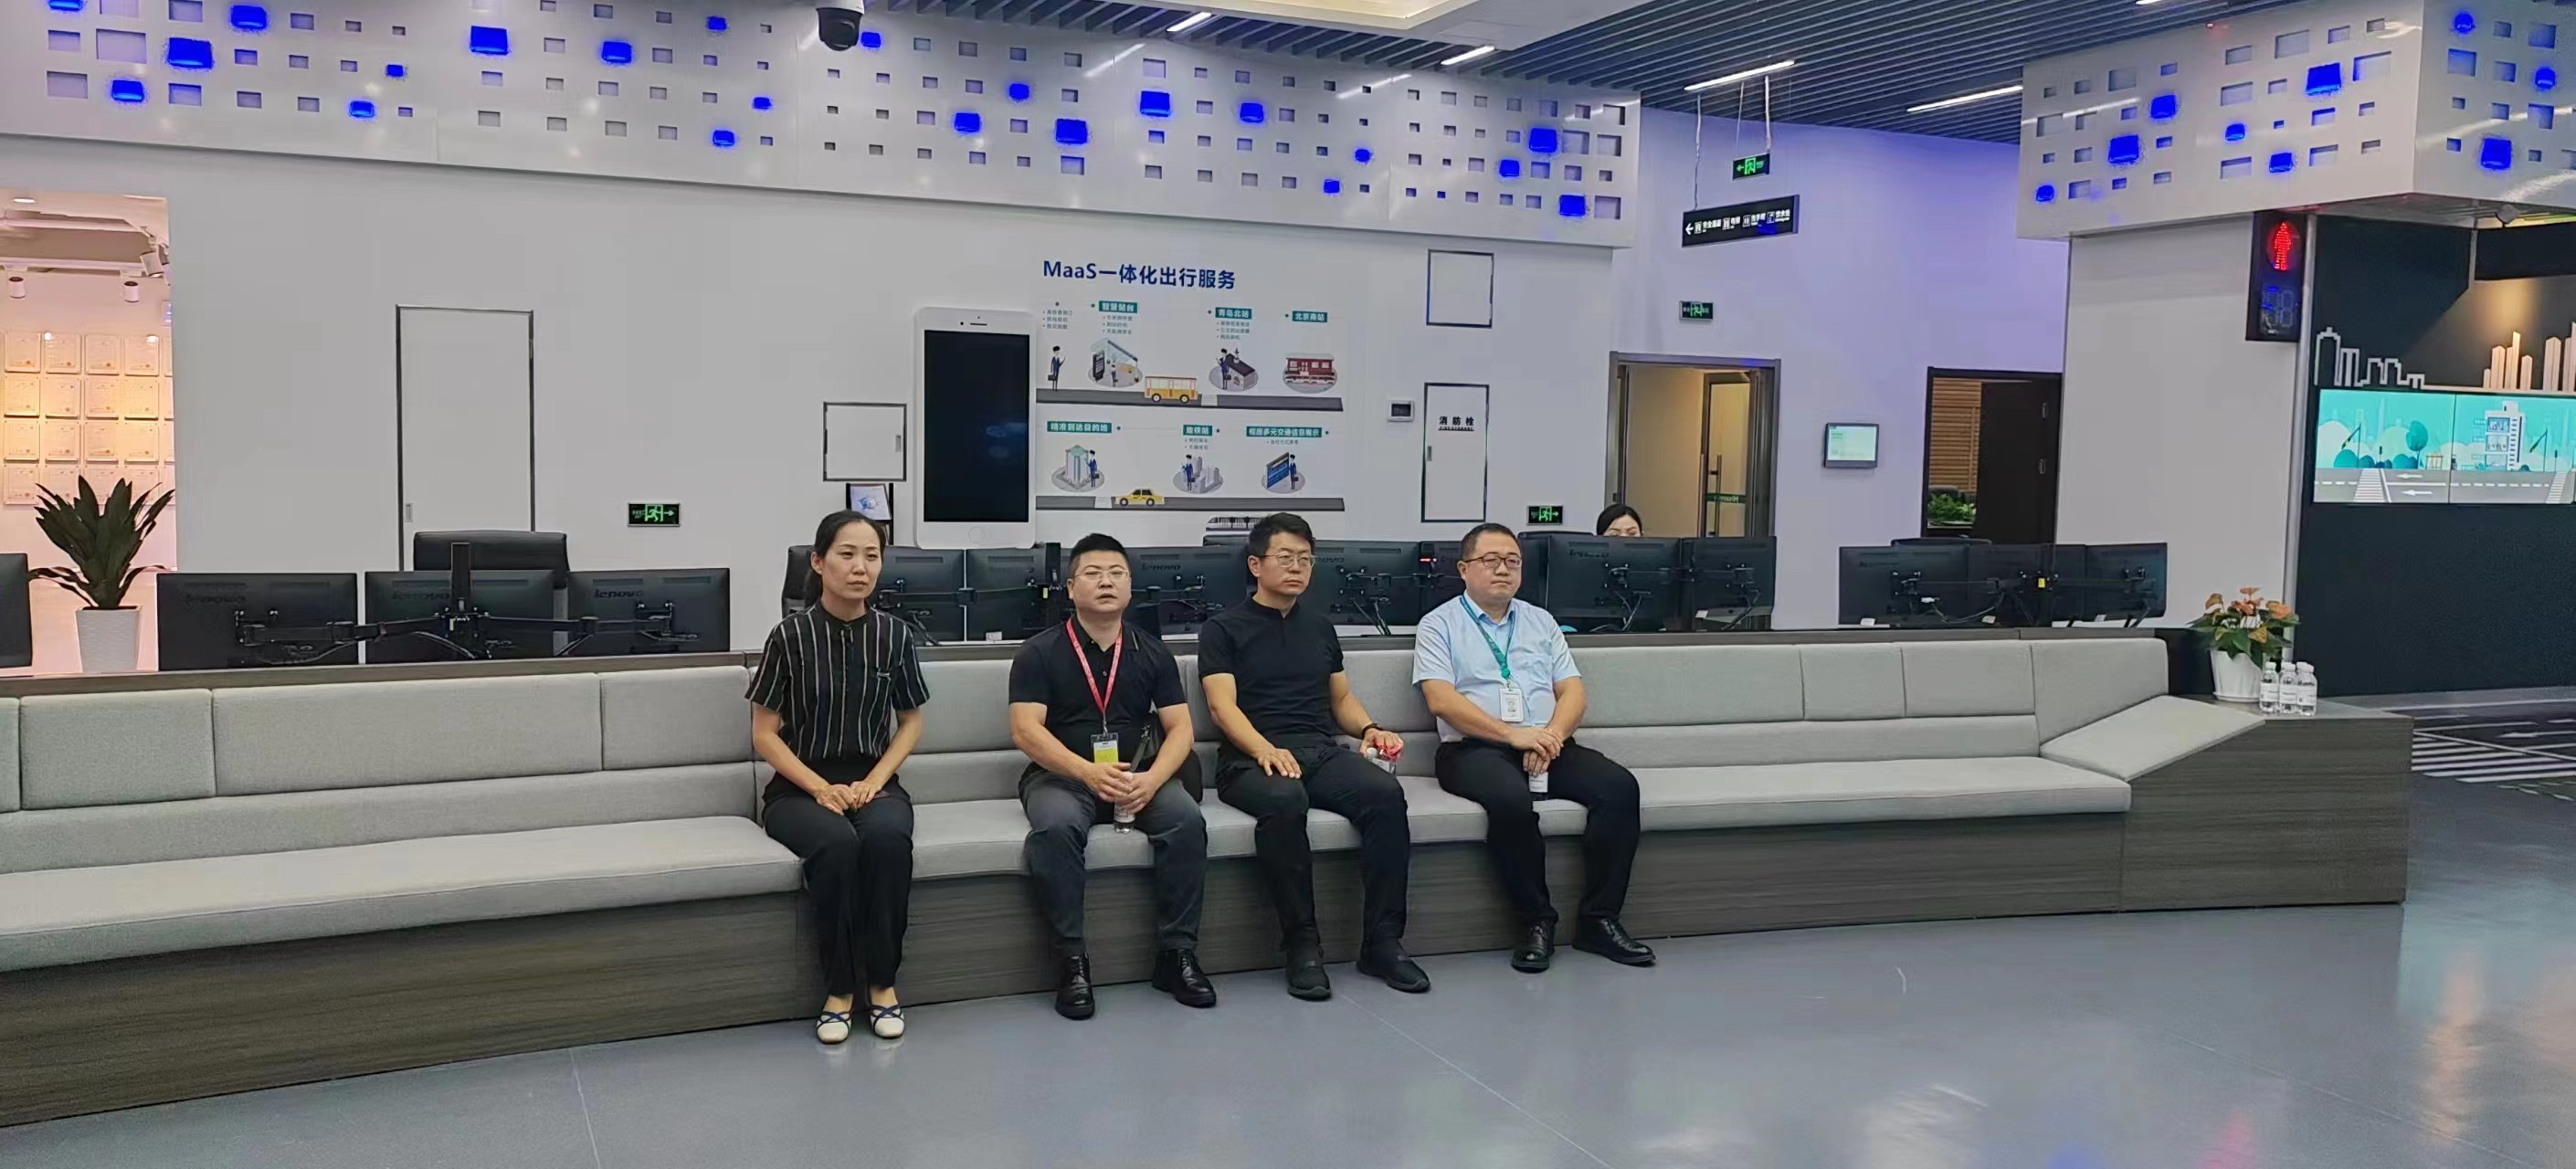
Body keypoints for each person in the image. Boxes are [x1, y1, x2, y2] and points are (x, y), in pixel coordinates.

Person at [1200, 512, 1428, 999]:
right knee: (1285, 801)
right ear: (1255, 565)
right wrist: (1264, 749)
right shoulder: (1222, 629)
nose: (1297, 567)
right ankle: (1301, 944)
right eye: (1286, 557)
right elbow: (1222, 708)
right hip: (1249, 758)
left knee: (1385, 795)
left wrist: (1370, 729)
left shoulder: (1321, 627)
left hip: (1318, 750)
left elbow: (1340, 699)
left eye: (1305, 559)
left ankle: (1383, 942)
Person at [1413, 522, 1655, 973]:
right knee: (1510, 800)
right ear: (1464, 569)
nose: (1503, 569)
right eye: (1491, 560)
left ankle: (1599, 921)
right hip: (1473, 750)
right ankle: (1535, 923)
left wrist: (1550, 737)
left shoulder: (1541, 622)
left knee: (1619, 788)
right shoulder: (1439, 624)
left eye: (1512, 561)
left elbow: (1573, 692)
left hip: (1547, 742)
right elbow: (1441, 700)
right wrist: (1513, 736)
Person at [1008, 533, 1216, 1020]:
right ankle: (1071, 962)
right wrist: (1087, 771)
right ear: (1071, 587)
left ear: (1130, 585)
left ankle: (1177, 955)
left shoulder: (1152, 652)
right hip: (1062, 776)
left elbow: (1181, 729)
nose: (1106, 581)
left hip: (1137, 777)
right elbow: (1025, 731)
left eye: (1117, 573)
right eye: (1093, 573)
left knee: (1186, 820)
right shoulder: (1039, 652)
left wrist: (1153, 780)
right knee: (1056, 827)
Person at [749, 511, 930, 1044]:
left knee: (888, 842)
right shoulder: (789, 636)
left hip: (874, 782)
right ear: (818, 562)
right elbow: (764, 734)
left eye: (871, 556)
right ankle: (840, 990)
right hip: (799, 788)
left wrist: (876, 780)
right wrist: (819, 788)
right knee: (837, 847)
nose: (860, 567)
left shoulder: (895, 635)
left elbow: (911, 721)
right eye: (847, 555)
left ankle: (883, 984)